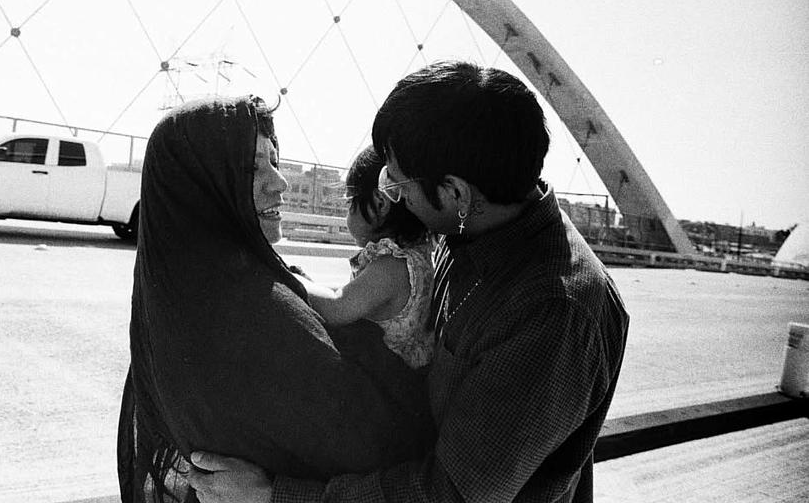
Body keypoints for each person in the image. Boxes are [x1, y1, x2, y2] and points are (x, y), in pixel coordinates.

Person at [186, 61, 630, 502]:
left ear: (456, 193)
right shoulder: (471, 227)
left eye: (399, 185)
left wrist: (274, 497)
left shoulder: (552, 312)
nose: (395, 198)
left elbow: (450, 494)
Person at [116, 95, 434, 502]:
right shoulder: (252, 310)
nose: (279, 182)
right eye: (251, 168)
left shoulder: (175, 298)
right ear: (199, 186)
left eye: (274, 161)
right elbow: (377, 442)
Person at [295, 145, 435, 368]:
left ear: (379, 203)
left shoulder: (392, 266)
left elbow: (336, 307)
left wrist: (287, 275)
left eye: (350, 202)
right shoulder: (417, 257)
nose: (348, 212)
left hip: (382, 378)